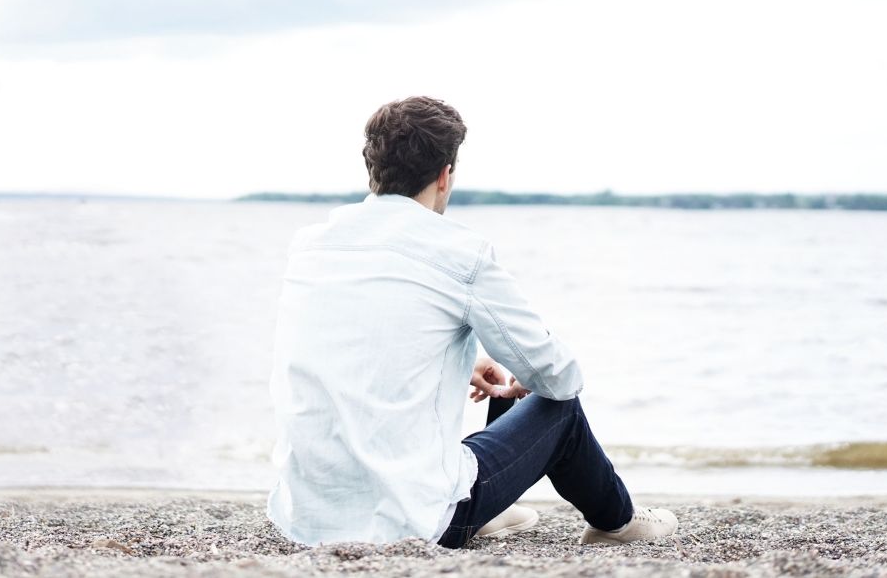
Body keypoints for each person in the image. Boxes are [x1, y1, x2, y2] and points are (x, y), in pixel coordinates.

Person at [265, 96, 678, 549]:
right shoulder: (458, 252)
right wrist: (529, 374)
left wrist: (462, 361)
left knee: (505, 382)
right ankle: (617, 523)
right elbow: (559, 375)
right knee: (560, 410)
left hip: (305, 515)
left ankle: (492, 507)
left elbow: (359, 348)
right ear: (445, 175)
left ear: (372, 169)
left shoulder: (311, 245)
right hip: (415, 519)